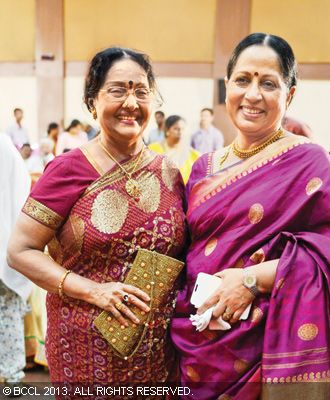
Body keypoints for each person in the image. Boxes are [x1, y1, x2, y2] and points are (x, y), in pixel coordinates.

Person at [171, 33, 330, 399]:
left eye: (268, 83)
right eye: (243, 80)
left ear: (289, 94)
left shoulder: (311, 162)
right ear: (228, 87)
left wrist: (252, 280)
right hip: (197, 344)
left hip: (268, 351)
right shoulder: (202, 169)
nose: (253, 94)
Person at [7, 46, 186, 388]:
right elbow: (20, 251)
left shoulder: (169, 172)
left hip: (159, 352)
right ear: (92, 102)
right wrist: (94, 291)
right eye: (118, 90)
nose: (131, 102)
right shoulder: (67, 169)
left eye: (141, 91)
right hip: (86, 349)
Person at [0, 134, 32, 388]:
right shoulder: (7, 147)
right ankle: (12, 374)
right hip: (7, 244)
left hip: (7, 244)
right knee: (8, 312)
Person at [149, 115, 200, 183]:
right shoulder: (153, 149)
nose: (180, 132)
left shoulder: (193, 154)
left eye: (183, 129)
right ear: (167, 130)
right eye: (176, 129)